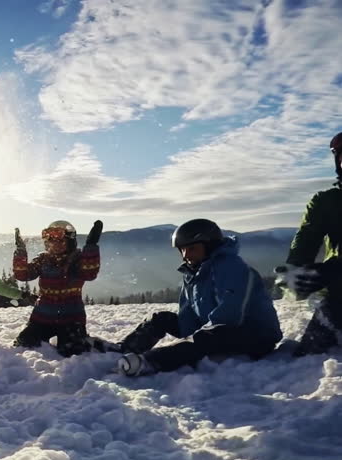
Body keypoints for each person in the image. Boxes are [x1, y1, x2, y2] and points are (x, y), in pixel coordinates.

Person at [116, 219, 282, 376]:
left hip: (257, 335)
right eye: (182, 249)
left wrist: (191, 342)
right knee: (162, 319)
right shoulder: (193, 272)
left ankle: (149, 362)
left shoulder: (231, 267)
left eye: (192, 248)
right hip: (216, 330)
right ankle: (123, 349)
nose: (185, 255)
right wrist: (189, 335)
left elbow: (230, 314)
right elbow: (187, 312)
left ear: (210, 246)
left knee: (210, 334)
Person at [281, 132, 342, 356]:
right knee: (309, 354)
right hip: (339, 294)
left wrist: (333, 270)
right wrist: (295, 272)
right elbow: (307, 238)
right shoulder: (327, 202)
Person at [12, 220, 103, 356]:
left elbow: (89, 273)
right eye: (51, 242)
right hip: (42, 317)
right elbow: (22, 274)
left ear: (70, 242)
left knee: (71, 351)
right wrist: (20, 252)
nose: (55, 246)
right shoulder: (43, 259)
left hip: (71, 319)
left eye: (60, 242)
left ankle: (88, 341)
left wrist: (90, 247)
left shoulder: (76, 259)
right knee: (24, 344)